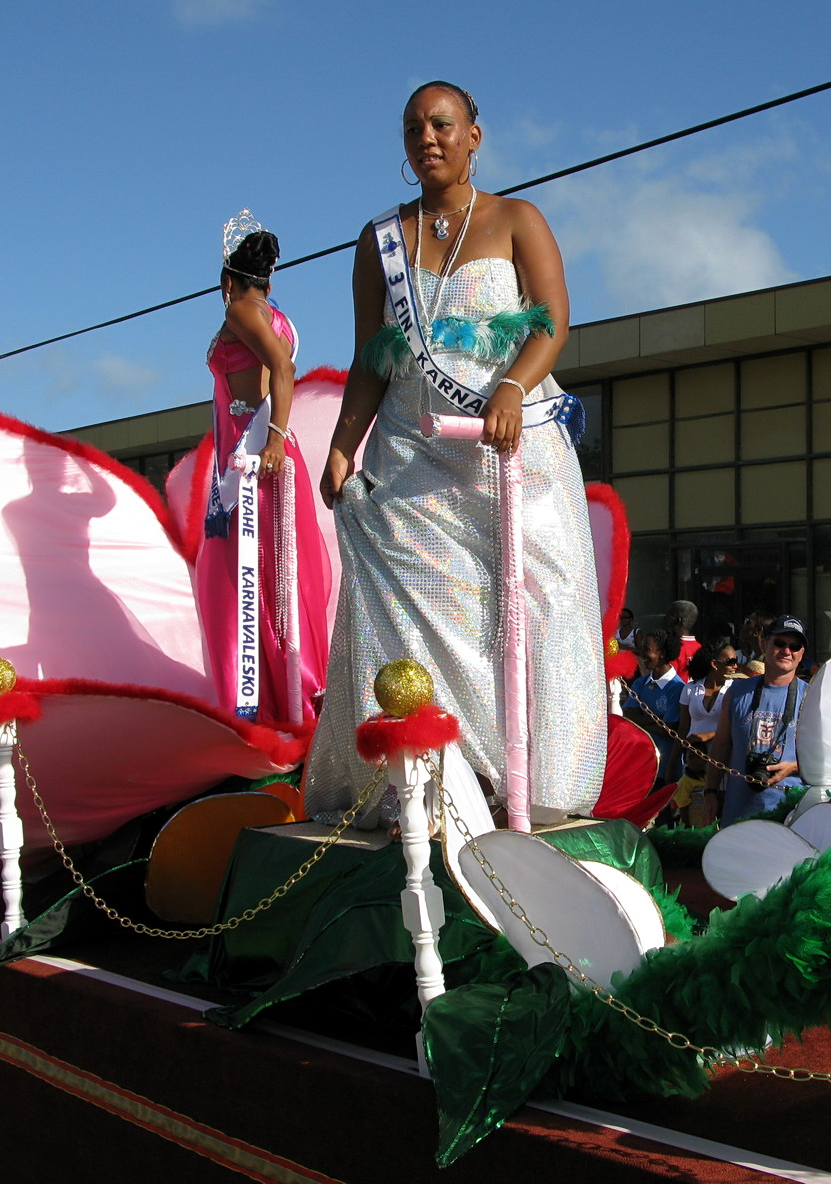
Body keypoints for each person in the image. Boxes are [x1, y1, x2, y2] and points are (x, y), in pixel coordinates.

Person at [302, 81, 604, 826]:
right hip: (412, 448)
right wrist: (343, 443)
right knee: (414, 603)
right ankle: (430, 780)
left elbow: (553, 323)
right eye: (412, 128)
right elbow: (370, 356)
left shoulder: (515, 218)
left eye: (442, 124)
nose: (426, 138)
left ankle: (531, 783)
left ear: (475, 134)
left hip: (511, 452)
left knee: (533, 604)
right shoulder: (380, 239)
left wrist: (511, 387)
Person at [195, 214, 332, 728]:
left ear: (227, 279)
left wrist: (272, 436)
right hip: (266, 453)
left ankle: (265, 701)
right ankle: (289, 691)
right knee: (279, 571)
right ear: (269, 280)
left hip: (255, 456)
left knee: (247, 575)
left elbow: (282, 367)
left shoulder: (239, 311)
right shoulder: (276, 314)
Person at [709, 615, 807, 826]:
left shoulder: (811, 697)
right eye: (780, 643)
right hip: (739, 814)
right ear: (764, 643)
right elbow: (721, 745)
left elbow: (825, 758)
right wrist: (710, 791)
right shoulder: (736, 692)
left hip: (791, 816)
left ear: (802, 653)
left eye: (794, 646)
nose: (787, 651)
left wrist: (794, 767)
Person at [674, 641, 736, 825]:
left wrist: (709, 735)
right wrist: (672, 764)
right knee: (691, 809)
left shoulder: (734, 690)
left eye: (736, 661)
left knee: (719, 804)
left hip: (721, 758)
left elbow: (736, 727)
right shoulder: (691, 688)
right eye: (730, 661)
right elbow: (683, 727)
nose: (735, 666)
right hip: (693, 760)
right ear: (714, 663)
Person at [625, 629, 684, 783]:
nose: (642, 654)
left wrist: (641, 721)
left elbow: (669, 729)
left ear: (662, 653)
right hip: (640, 766)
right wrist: (658, 719)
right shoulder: (640, 683)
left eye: (646, 649)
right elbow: (628, 716)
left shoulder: (677, 688)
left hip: (665, 769)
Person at [665, 600, 702, 681]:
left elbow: (667, 678)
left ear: (678, 620)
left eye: (670, 615)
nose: (665, 617)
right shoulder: (700, 647)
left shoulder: (673, 648)